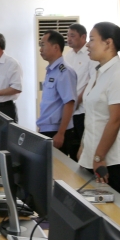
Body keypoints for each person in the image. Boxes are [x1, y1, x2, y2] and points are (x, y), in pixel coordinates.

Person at [77, 22, 120, 197]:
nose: (87, 45)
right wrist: (84, 146)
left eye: (92, 39)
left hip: (111, 163)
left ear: (108, 43)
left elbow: (115, 120)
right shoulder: (99, 73)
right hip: (94, 157)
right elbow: (92, 116)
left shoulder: (119, 75)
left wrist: (99, 157)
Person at [36, 31, 78, 159]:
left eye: (43, 45)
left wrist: (61, 133)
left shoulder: (64, 72)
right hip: (48, 129)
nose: (40, 49)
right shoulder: (51, 70)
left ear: (55, 47)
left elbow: (69, 103)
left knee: (56, 169)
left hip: (57, 131)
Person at [64, 23, 97, 161]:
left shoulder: (90, 55)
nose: (69, 39)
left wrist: (77, 100)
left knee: (83, 152)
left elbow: (93, 81)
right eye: (68, 35)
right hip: (69, 111)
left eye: (72, 36)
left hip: (83, 111)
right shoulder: (68, 56)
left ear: (83, 37)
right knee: (71, 151)